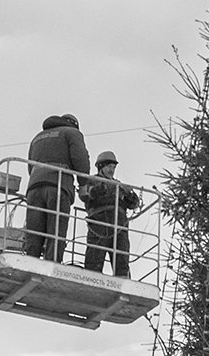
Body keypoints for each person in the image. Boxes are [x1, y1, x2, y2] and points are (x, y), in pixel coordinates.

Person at [24, 114, 90, 262]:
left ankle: (31, 262)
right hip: (58, 184)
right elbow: (80, 159)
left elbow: (30, 166)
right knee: (55, 231)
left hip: (34, 186)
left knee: (34, 232)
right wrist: (83, 184)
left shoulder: (37, 137)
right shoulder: (72, 133)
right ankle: (52, 264)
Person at [82, 150, 140, 278]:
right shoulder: (92, 181)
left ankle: (124, 284)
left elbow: (134, 204)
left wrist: (129, 194)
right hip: (99, 224)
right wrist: (107, 186)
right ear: (101, 167)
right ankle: (92, 281)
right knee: (94, 261)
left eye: (113, 167)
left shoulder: (119, 186)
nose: (111, 170)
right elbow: (89, 194)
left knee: (122, 262)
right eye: (109, 167)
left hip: (119, 226)